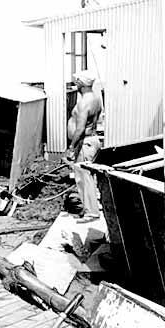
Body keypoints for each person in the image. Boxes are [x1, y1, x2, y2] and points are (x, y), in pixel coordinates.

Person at [66, 70, 102, 223]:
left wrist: (71, 147)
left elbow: (80, 128)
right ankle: (93, 206)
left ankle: (91, 213)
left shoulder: (84, 102)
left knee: (83, 178)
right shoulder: (96, 98)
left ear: (80, 83)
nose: (75, 83)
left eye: (77, 81)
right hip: (92, 140)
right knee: (88, 177)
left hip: (84, 142)